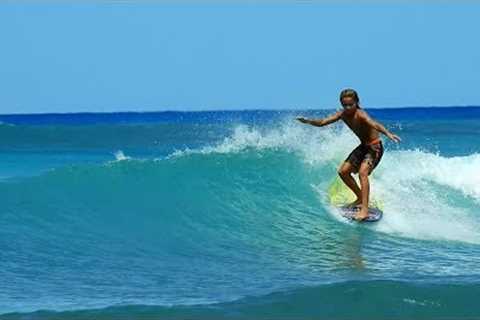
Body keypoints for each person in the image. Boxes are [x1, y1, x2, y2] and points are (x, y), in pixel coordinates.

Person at [296, 89, 401, 221]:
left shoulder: (360, 114)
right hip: (363, 147)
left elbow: (374, 123)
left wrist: (387, 133)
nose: (348, 107)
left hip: (374, 147)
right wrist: (308, 121)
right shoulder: (343, 114)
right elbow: (323, 122)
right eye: (345, 105)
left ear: (356, 102)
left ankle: (364, 209)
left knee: (363, 173)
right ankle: (359, 198)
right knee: (343, 172)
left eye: (350, 104)